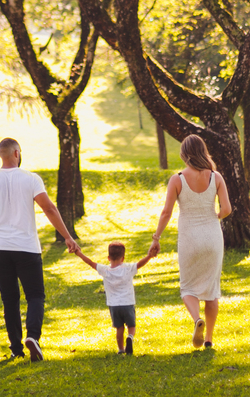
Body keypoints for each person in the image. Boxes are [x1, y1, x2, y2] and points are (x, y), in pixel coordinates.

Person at [0, 137, 80, 361]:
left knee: (10, 299)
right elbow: (48, 208)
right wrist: (67, 237)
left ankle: (16, 348)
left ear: (2, 155)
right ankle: (33, 338)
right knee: (36, 296)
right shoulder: (31, 179)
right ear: (17, 153)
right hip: (27, 247)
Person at [149, 134, 232, 349]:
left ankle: (197, 320)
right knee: (211, 291)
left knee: (188, 288)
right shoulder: (216, 177)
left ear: (184, 154)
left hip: (189, 238)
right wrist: (214, 218)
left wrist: (156, 237)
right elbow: (227, 210)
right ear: (203, 151)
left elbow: (167, 211)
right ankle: (209, 339)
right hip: (213, 237)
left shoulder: (177, 179)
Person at [71, 240, 156, 355]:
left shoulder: (105, 270)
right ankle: (130, 337)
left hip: (114, 305)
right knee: (131, 326)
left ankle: (121, 349)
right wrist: (149, 256)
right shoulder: (128, 268)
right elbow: (139, 264)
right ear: (123, 258)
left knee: (119, 328)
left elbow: (91, 263)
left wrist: (79, 253)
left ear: (108, 257)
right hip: (128, 303)